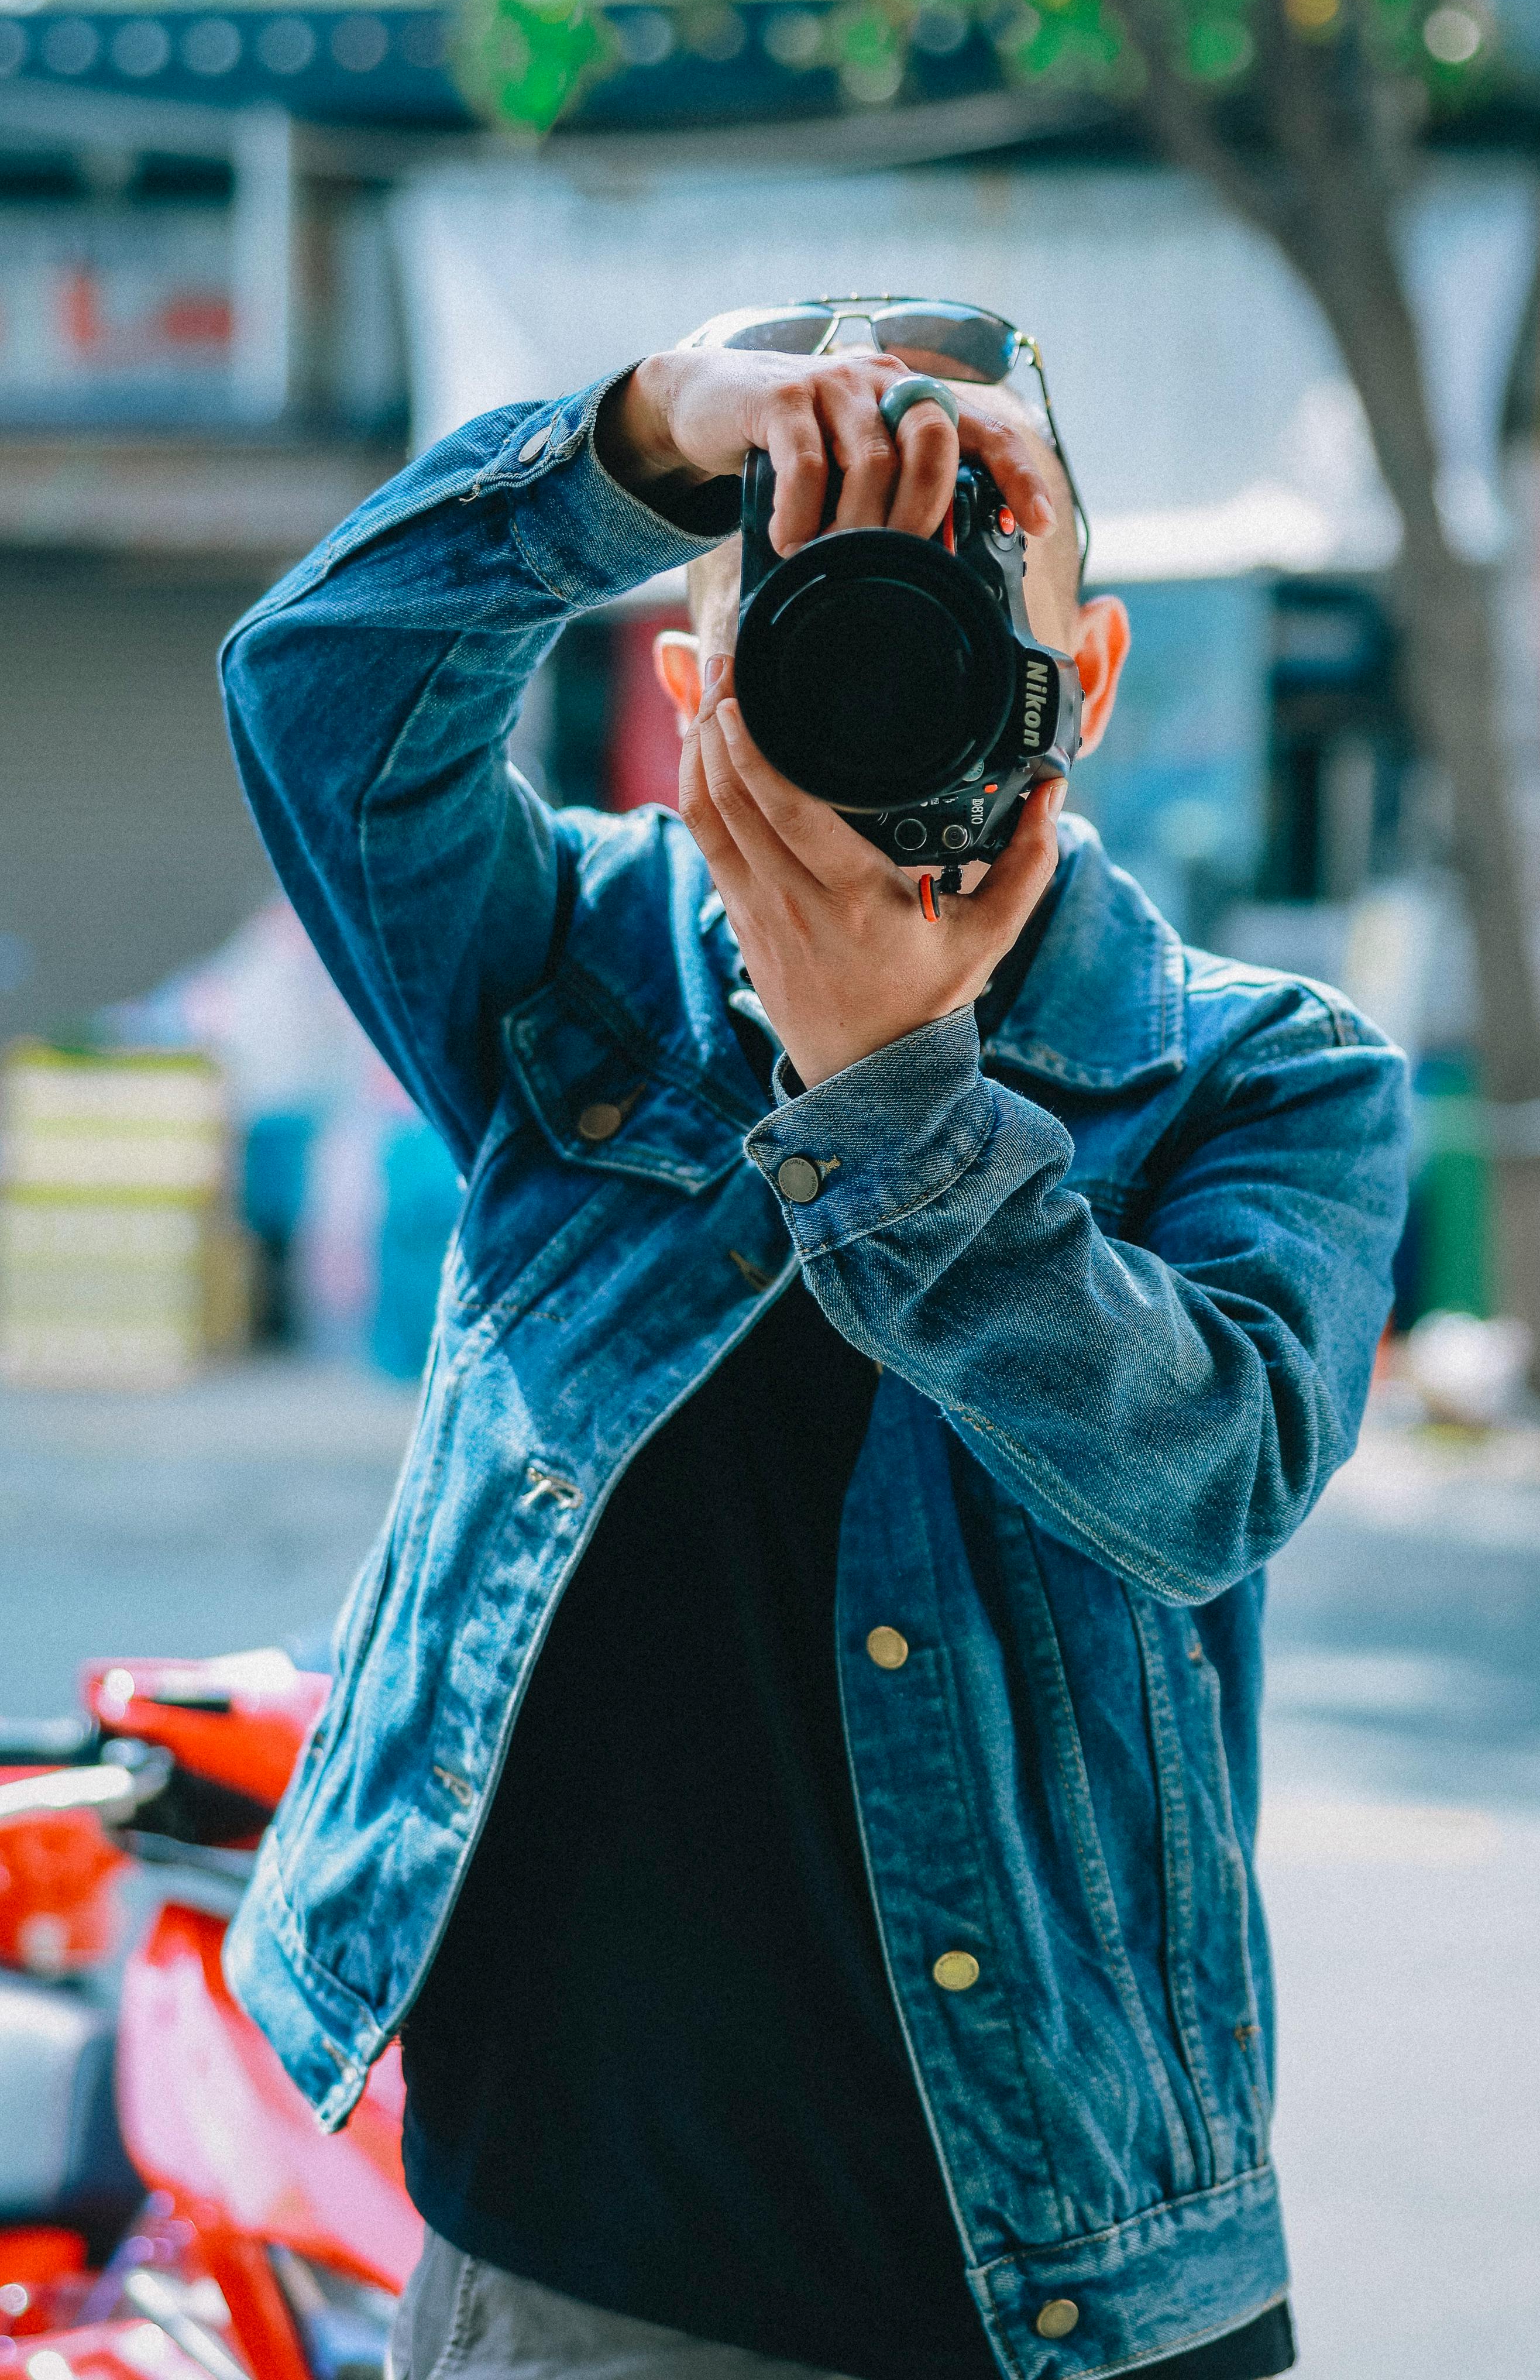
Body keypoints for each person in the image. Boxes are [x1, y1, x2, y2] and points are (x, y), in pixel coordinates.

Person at [219, 314, 1408, 2380]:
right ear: (694, 688)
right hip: (581, 2269)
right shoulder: (571, 973)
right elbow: (313, 690)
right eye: (821, 624)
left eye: (963, 612)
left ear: (1091, 680)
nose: (887, 677)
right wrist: (641, 433)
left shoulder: (1262, 1076)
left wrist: (893, 1096)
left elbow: (1209, 1474)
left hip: (1061, 2292)